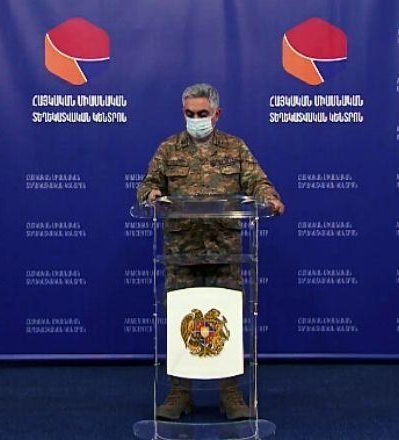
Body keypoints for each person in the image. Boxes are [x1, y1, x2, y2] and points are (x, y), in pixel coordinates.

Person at [137, 83, 284, 421]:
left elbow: (257, 182)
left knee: (225, 319)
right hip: (181, 252)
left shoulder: (235, 148)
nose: (196, 119)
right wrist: (152, 195)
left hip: (225, 252)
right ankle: (179, 393)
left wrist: (269, 198)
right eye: (189, 113)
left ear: (217, 114)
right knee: (181, 319)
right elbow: (147, 185)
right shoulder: (168, 149)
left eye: (202, 113)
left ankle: (230, 394)